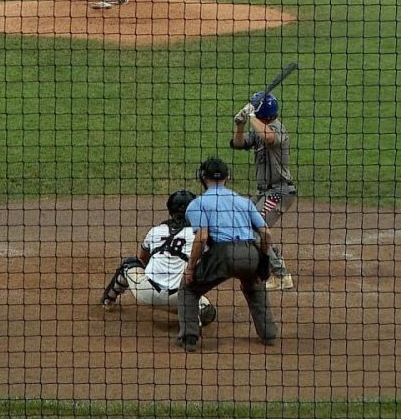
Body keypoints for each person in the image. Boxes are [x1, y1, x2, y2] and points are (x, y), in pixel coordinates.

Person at [176, 157, 278, 353]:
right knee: (254, 286)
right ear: (227, 177)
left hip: (222, 254)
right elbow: (266, 232)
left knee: (188, 289)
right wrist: (263, 261)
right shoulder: (244, 202)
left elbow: (202, 237)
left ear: (202, 178)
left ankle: (189, 338)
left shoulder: (198, 204)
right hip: (250, 253)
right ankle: (268, 334)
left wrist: (190, 268)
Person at [100, 190, 217, 327]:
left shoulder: (155, 231)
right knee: (208, 312)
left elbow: (142, 260)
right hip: (181, 297)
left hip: (146, 293)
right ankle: (186, 313)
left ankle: (108, 301)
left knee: (130, 264)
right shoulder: (199, 235)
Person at [231, 92, 297, 291]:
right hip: (263, 192)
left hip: (279, 191)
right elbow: (238, 144)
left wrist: (250, 116)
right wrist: (240, 125)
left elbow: (268, 137)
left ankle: (281, 275)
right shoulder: (259, 129)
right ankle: (272, 256)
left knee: (256, 228)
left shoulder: (277, 129)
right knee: (242, 221)